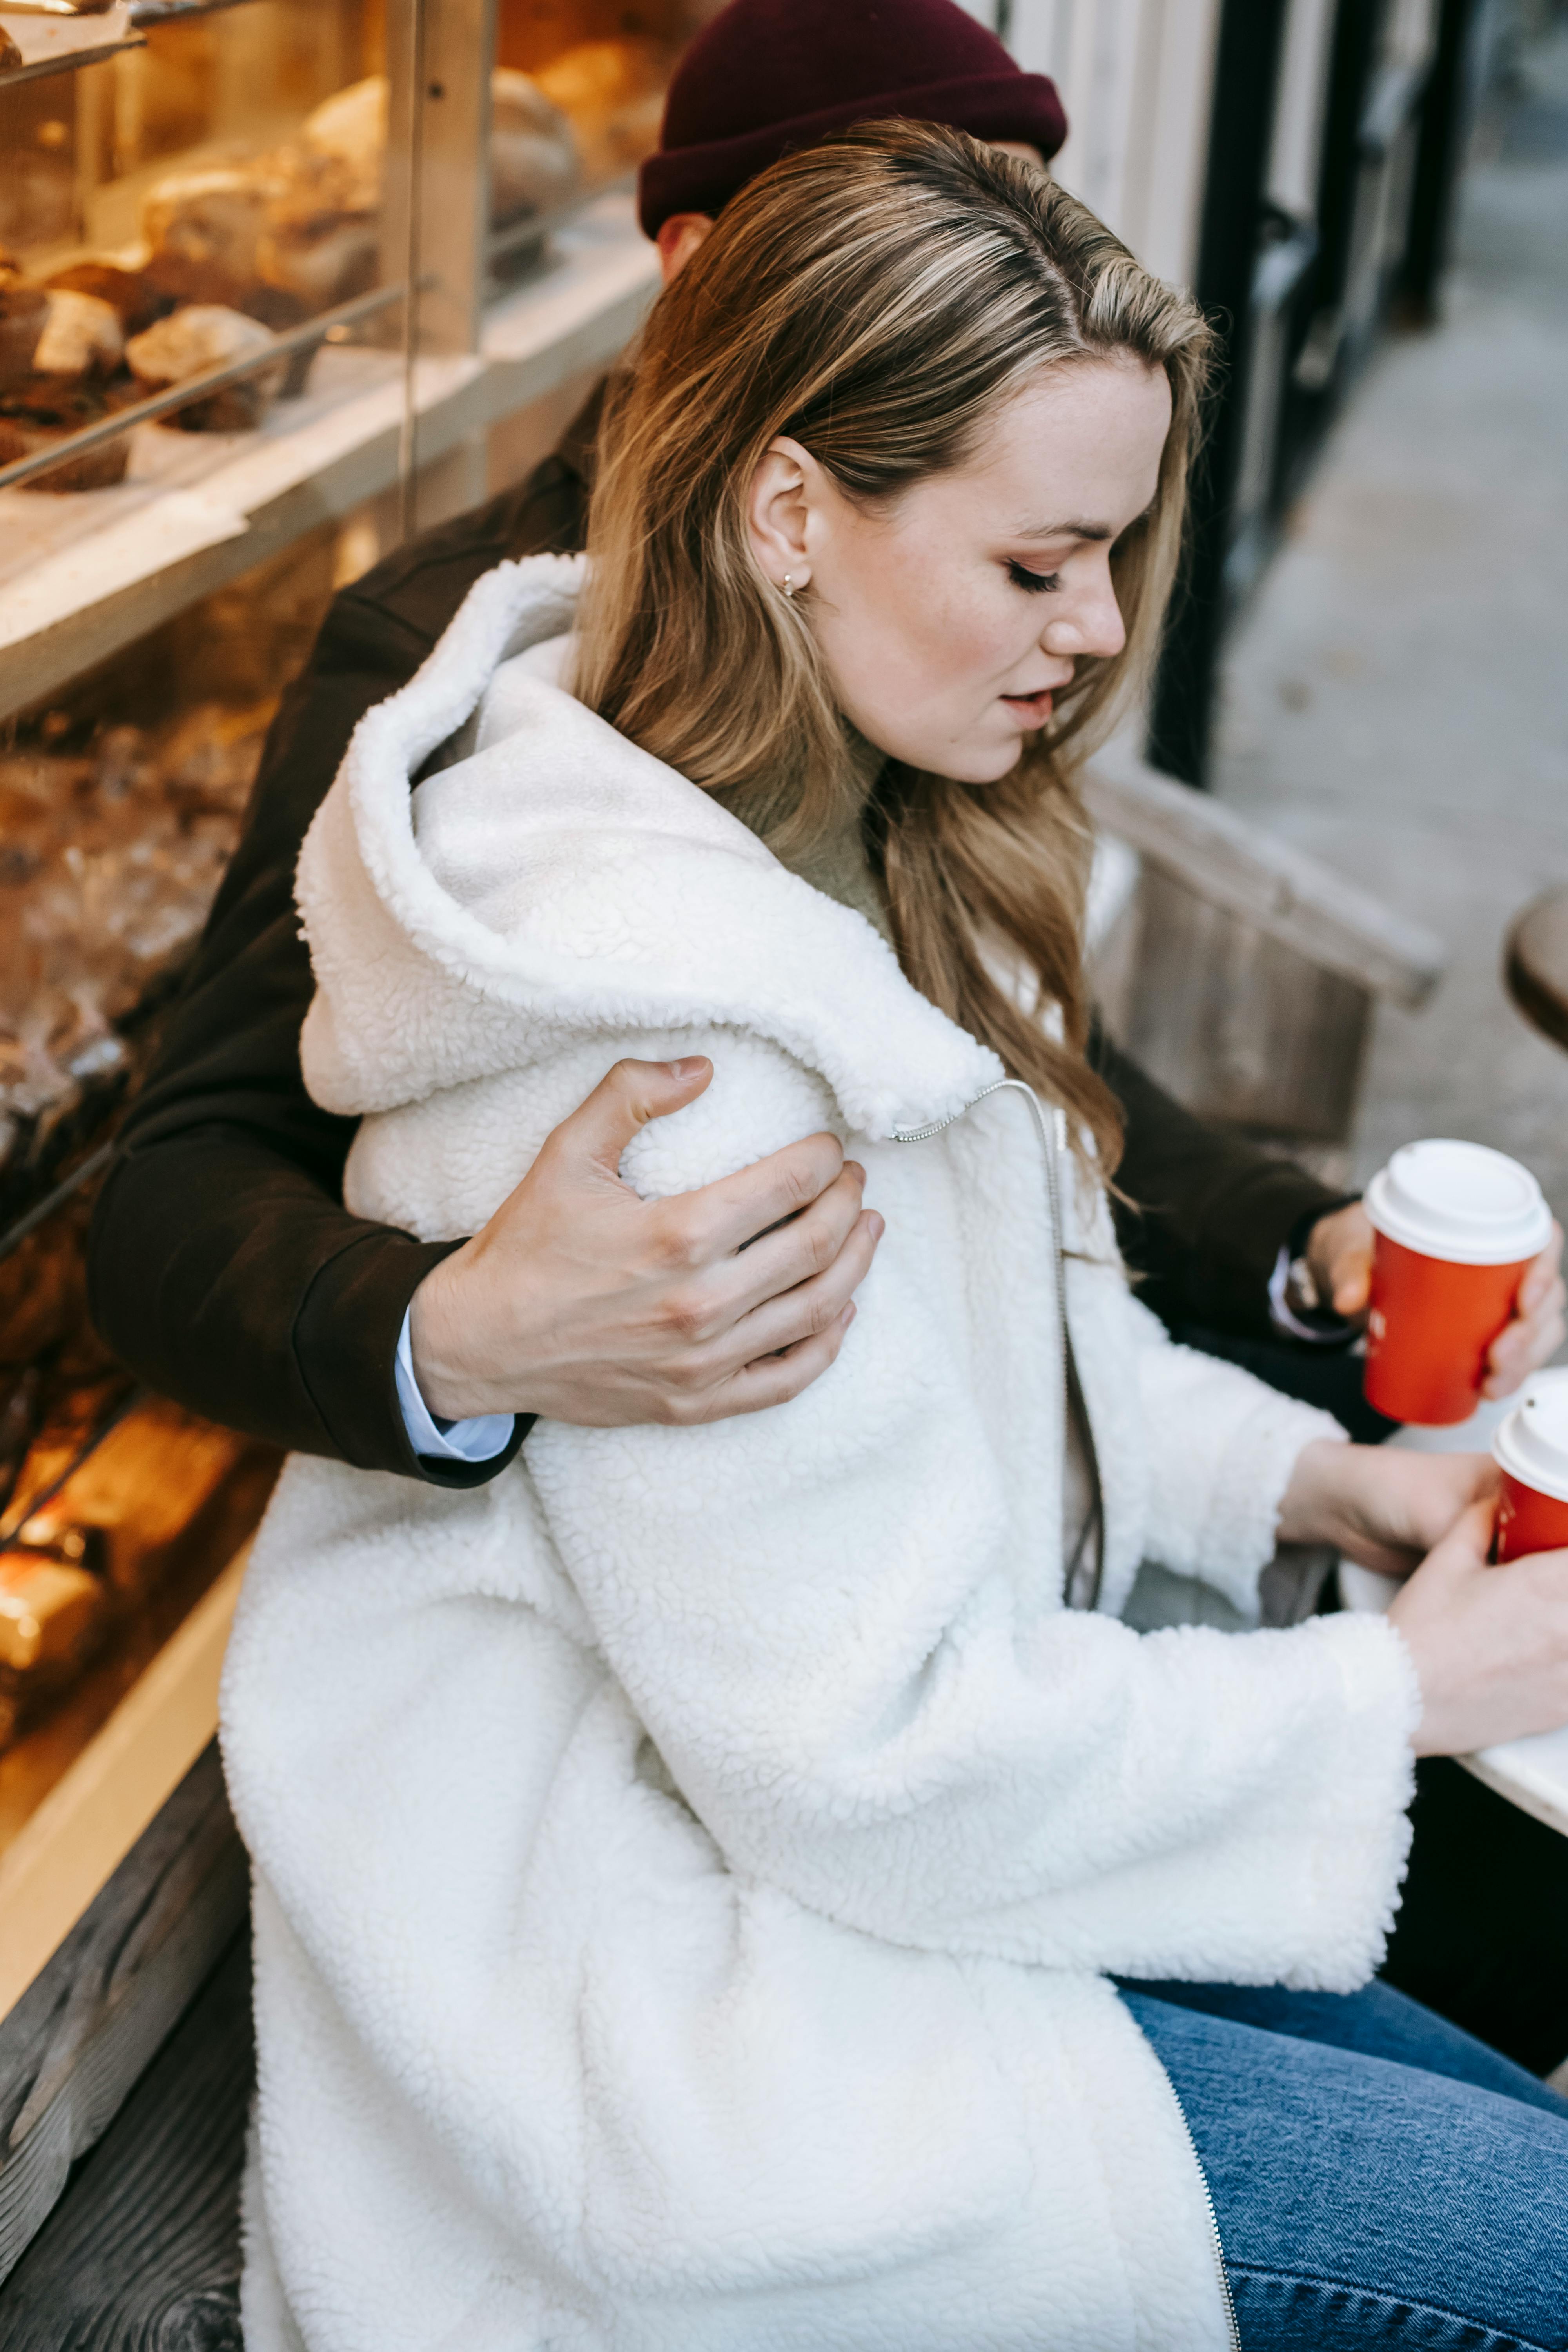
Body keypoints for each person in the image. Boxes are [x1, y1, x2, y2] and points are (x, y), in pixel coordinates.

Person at [88, 0, 1567, 2063]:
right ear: (718, 295)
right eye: (885, 233)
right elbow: (168, 1196)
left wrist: (1299, 1254)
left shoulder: (926, 626)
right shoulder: (470, 670)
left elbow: (1010, 1101)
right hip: (691, 1806)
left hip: (934, 1544)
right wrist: (462, 1333)